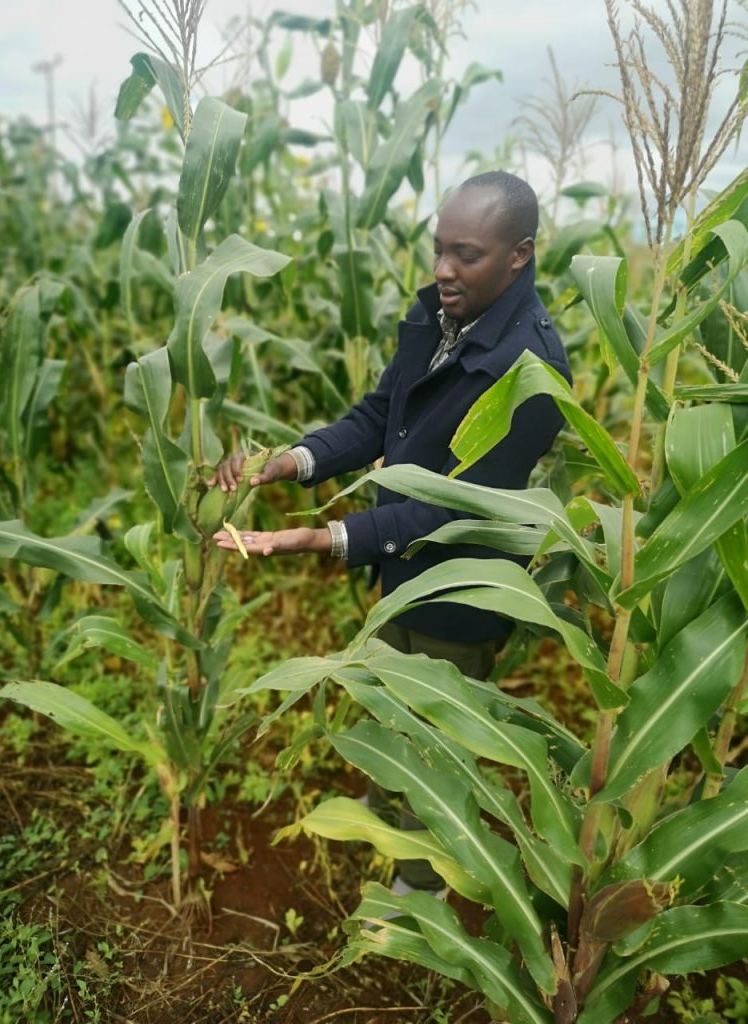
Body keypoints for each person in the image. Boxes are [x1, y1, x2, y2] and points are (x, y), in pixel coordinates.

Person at [212, 169, 571, 891]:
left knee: (434, 749)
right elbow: (378, 417)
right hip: (396, 573)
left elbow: (460, 506)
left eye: (465, 254)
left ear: (518, 254)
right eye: (438, 248)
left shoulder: (530, 372)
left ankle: (417, 893)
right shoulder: (438, 318)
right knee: (385, 711)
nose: (442, 269)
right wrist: (283, 463)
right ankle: (378, 819)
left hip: (455, 597)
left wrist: (324, 538)